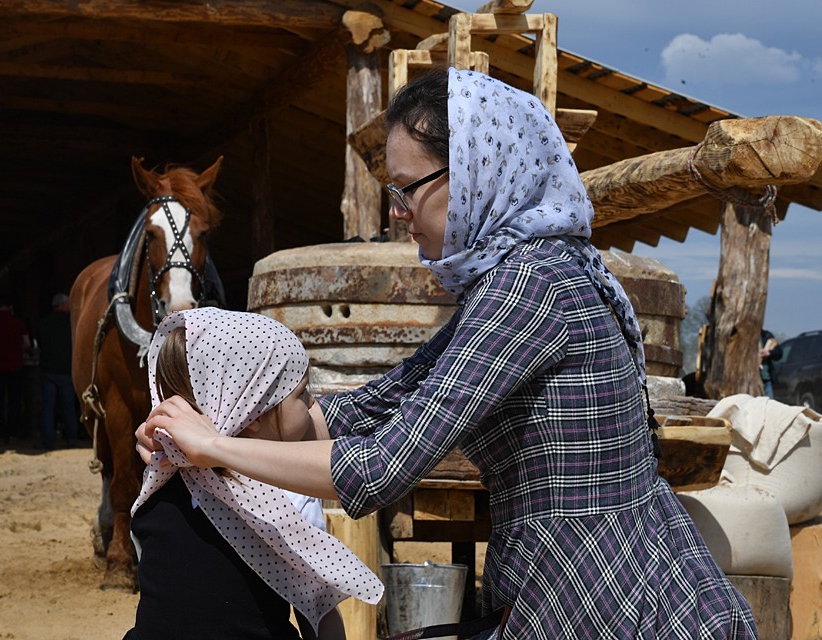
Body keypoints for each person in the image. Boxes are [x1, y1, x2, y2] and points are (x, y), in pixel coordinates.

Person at [137, 68, 757, 638]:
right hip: (568, 594)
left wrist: (215, 447)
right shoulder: (519, 278)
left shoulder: (536, 286)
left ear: (472, 176)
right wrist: (214, 421)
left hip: (613, 608)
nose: (401, 214)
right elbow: (384, 402)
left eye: (408, 190)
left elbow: (380, 468)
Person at [123, 308, 380, 640]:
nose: (313, 401)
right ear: (256, 412)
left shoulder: (164, 474)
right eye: (301, 394)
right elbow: (319, 612)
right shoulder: (287, 493)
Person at [36, 293, 80, 449]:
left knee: (48, 407)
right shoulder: (72, 324)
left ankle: (48, 440)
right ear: (63, 305)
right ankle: (72, 439)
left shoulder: (42, 323)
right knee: (68, 407)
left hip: (48, 370)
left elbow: (38, 344)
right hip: (66, 371)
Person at [0, 298, 31, 442]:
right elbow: (27, 343)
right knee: (15, 401)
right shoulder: (18, 322)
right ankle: (14, 430)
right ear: (11, 306)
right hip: (15, 366)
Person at [759, 328, 781, 398]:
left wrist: (769, 353)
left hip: (766, 379)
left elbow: (779, 353)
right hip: (752, 379)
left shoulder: (766, 335)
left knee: (769, 405)